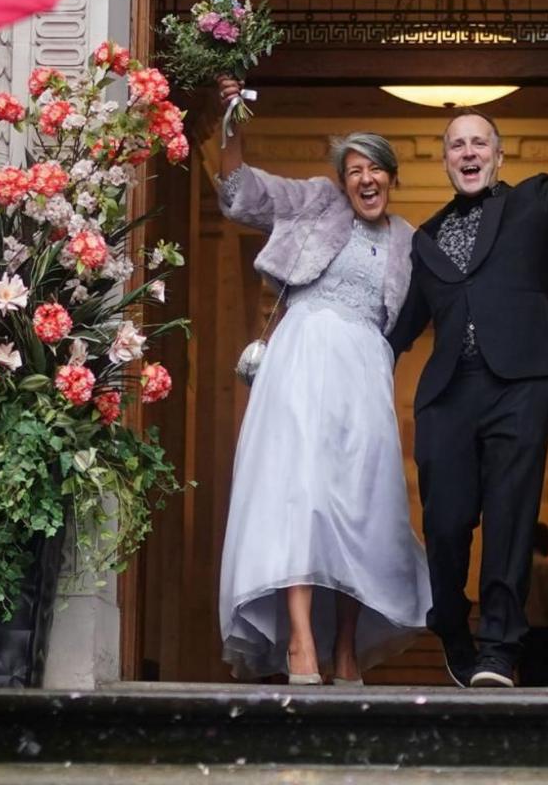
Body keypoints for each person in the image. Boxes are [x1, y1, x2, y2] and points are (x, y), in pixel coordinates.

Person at [389, 12, 548, 689]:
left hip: (521, 379)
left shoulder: (533, 202)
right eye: (455, 145)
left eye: (479, 143)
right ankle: (450, 623)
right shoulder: (425, 240)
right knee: (444, 524)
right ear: (445, 161)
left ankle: (498, 648)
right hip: (447, 395)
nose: (467, 152)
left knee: (509, 515)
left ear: (498, 157)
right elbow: (401, 327)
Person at [215, 76, 432, 686]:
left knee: (361, 507)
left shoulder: (409, 241)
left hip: (366, 373)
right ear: (343, 181)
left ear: (392, 177)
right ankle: (302, 645)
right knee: (301, 500)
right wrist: (231, 118)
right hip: (304, 360)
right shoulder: (314, 204)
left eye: (377, 169)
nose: (366, 179)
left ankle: (345, 649)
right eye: (355, 169)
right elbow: (239, 192)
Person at [518, 522, 548, 687]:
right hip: (544, 633)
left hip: (522, 632)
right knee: (547, 681)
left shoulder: (518, 565)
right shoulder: (546, 566)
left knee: (527, 680)